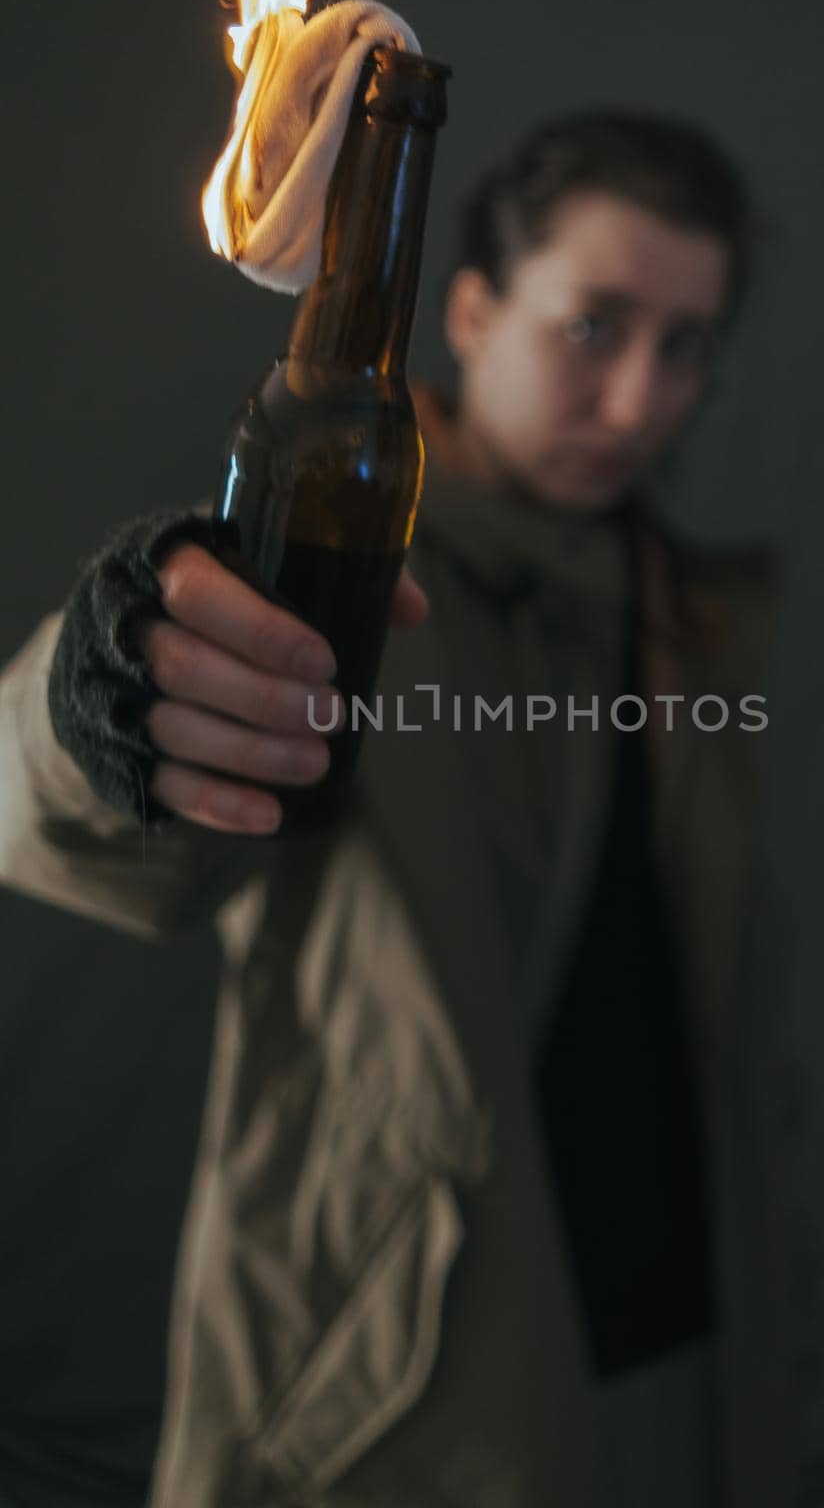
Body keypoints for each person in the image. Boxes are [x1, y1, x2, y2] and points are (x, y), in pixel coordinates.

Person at [0, 112, 784, 1507]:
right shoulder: (351, 567)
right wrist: (100, 695)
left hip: (682, 1350)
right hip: (400, 1389)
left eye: (687, 347)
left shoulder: (690, 623)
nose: (640, 401)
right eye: (594, 327)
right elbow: (79, 814)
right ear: (472, 313)